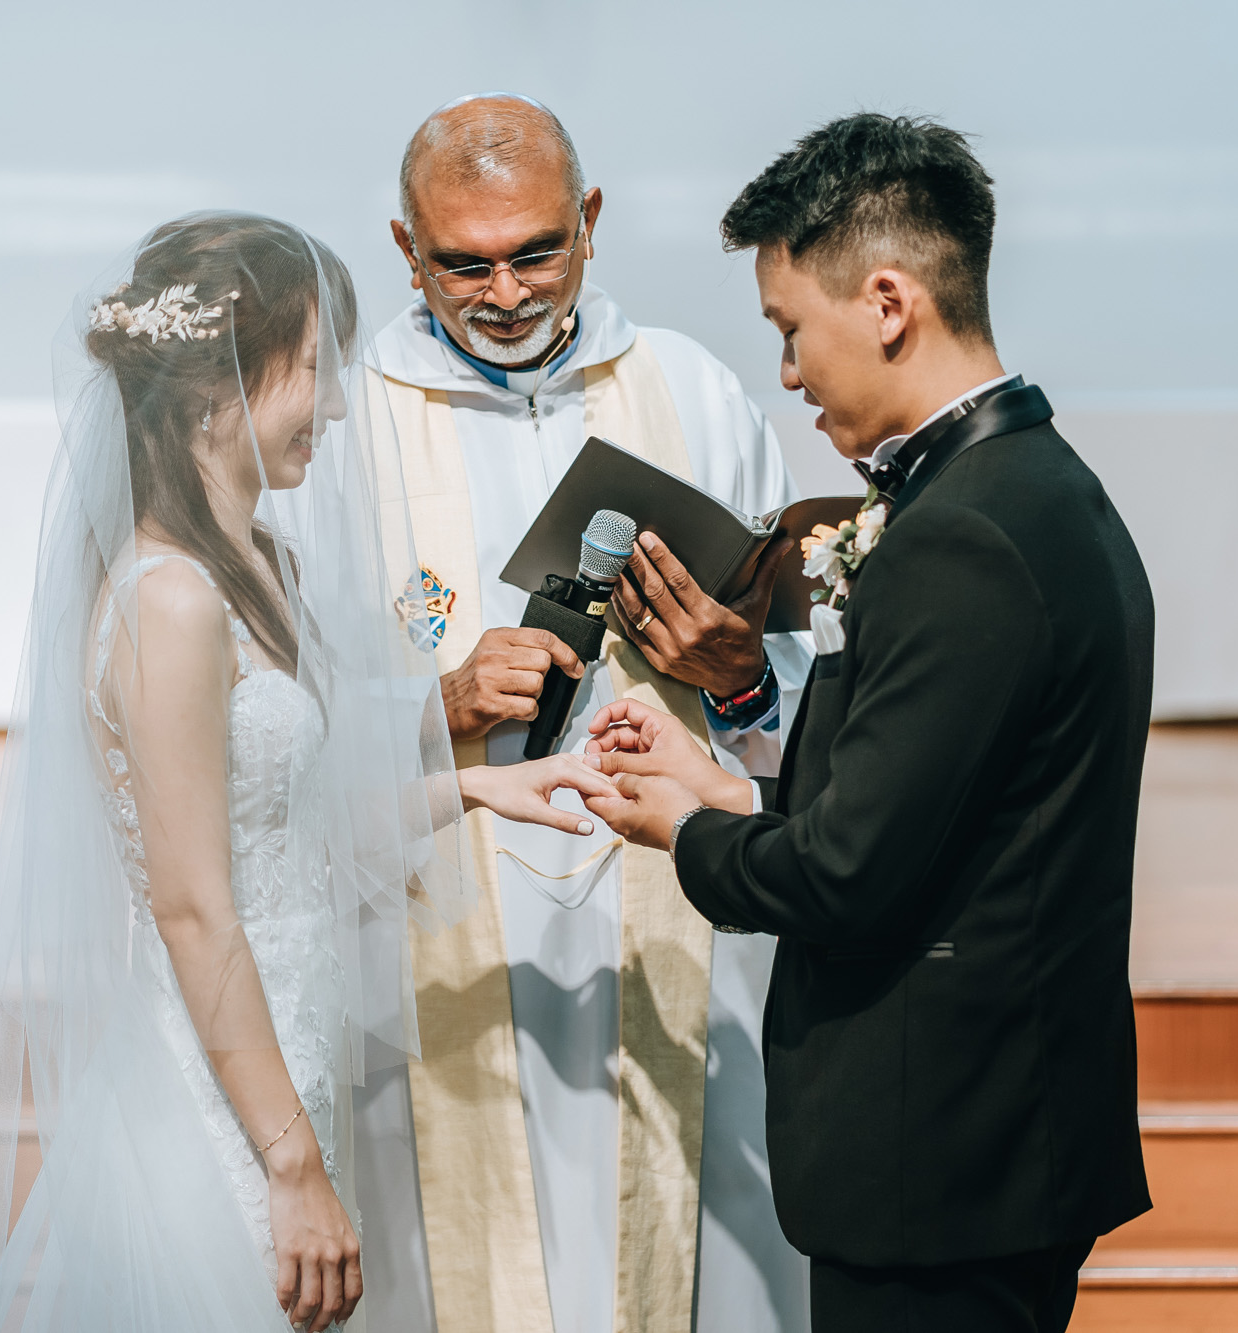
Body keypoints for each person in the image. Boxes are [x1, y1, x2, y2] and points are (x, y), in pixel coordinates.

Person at [0, 212, 616, 1333]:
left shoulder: (256, 569)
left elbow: (289, 832)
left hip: (282, 1057)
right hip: (214, 1107)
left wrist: (478, 788)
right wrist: (289, 1166)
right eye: (312, 370)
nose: (333, 407)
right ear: (217, 391)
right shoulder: (170, 599)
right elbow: (195, 907)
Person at [583, 114, 1156, 1332]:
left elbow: (846, 875)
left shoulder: (960, 536)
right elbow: (931, 806)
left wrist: (685, 827)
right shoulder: (1039, 484)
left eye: (788, 329)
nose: (788, 373)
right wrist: (731, 782)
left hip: (939, 1148)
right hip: (1002, 1125)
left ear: (887, 302)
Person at [358, 93, 812, 1333]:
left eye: (536, 252)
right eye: (463, 263)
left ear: (591, 221)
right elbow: (273, 712)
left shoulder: (690, 390)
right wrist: (434, 700)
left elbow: (801, 687)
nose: (504, 293)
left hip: (672, 908)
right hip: (447, 920)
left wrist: (737, 673)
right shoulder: (349, 420)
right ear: (403, 247)